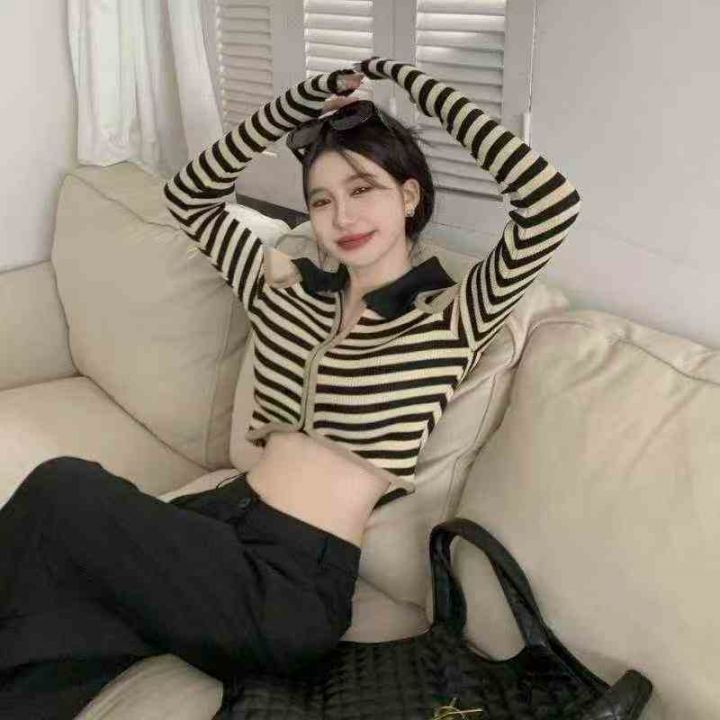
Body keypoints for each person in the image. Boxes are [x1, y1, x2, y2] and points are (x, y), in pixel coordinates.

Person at [0, 57, 581, 718]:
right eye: (322, 200)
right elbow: (190, 196)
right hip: (217, 524)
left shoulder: (449, 314)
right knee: (61, 609)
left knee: (62, 489)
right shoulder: (287, 287)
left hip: (292, 582)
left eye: (363, 188)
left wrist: (406, 80)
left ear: (409, 196)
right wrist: (300, 104)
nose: (342, 215)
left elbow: (549, 204)